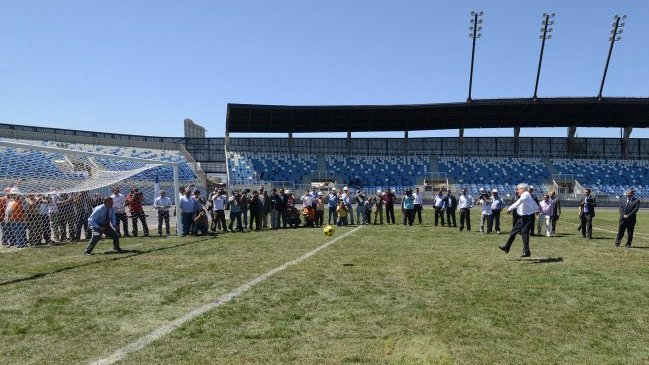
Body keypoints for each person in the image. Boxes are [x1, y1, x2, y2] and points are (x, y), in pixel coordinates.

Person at [499, 183, 538, 258]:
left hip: (528, 218)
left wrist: (510, 208)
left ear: (522, 189)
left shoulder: (525, 195)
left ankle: (526, 251)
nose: (517, 191)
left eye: (518, 189)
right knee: (515, 232)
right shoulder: (525, 195)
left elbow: (519, 202)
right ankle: (507, 247)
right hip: (523, 218)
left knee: (523, 232)